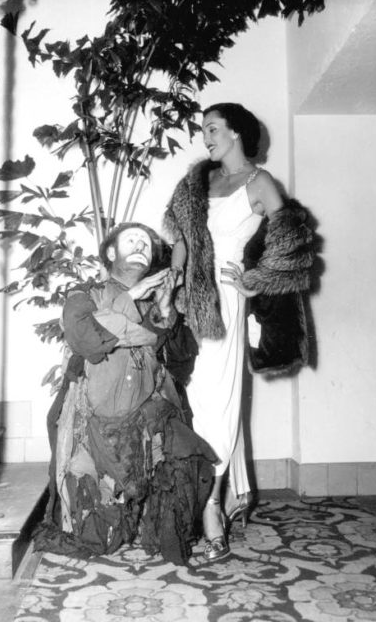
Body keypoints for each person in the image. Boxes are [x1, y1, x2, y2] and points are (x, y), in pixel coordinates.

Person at [164, 102, 314, 560]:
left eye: (212, 128)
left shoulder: (260, 182)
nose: (205, 138)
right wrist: (172, 279)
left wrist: (256, 280)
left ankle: (212, 507)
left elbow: (292, 243)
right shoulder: (197, 181)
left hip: (226, 307)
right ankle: (219, 495)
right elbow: (180, 238)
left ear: (236, 133)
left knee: (219, 403)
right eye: (203, 130)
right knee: (191, 401)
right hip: (188, 304)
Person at [34, 222, 217, 566]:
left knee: (188, 460)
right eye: (131, 240)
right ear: (110, 252)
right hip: (95, 418)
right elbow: (85, 338)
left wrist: (166, 310)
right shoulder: (84, 294)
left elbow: (176, 361)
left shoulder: (157, 300)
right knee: (98, 538)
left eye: (146, 243)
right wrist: (131, 299)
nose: (140, 246)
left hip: (148, 411)